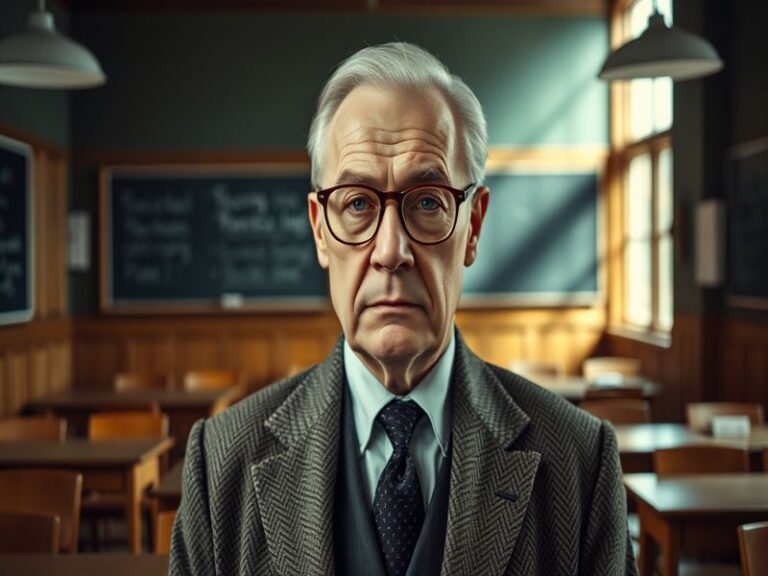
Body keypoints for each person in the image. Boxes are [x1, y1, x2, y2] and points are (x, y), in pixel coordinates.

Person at [170, 42, 636, 576]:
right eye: (358, 203)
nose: (391, 251)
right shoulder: (221, 464)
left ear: (473, 226)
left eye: (428, 201)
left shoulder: (580, 461)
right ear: (320, 231)